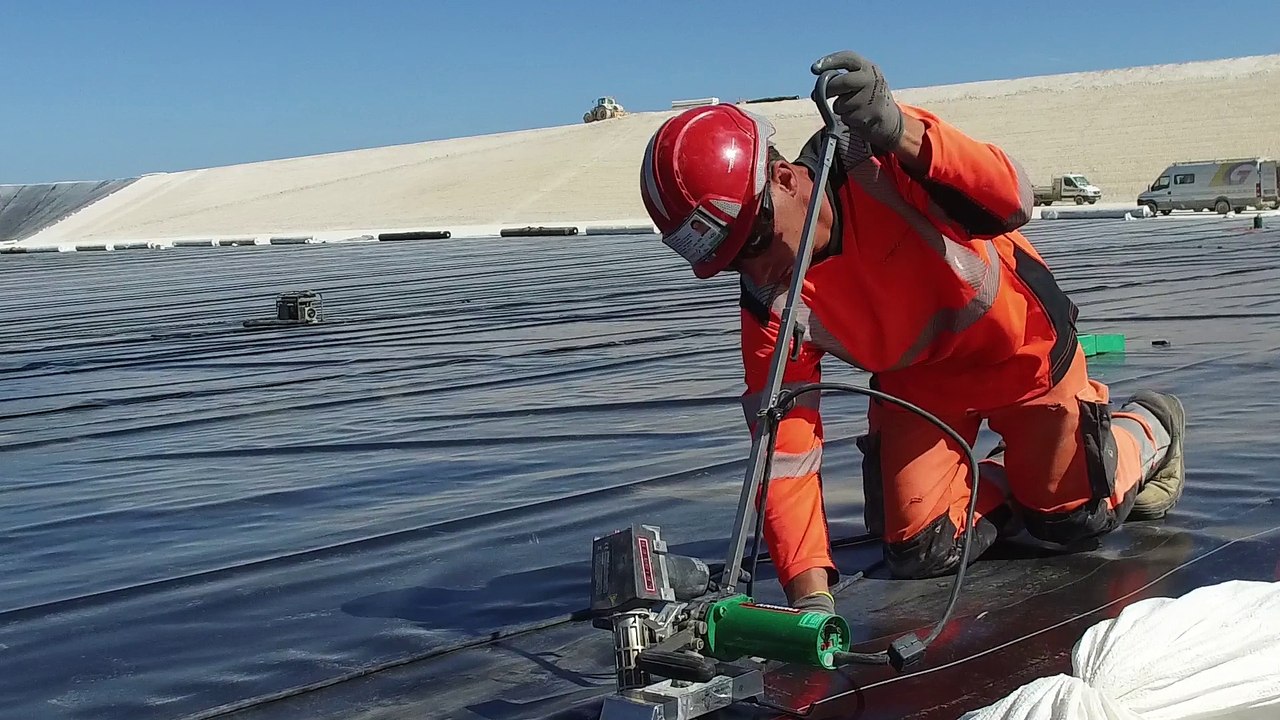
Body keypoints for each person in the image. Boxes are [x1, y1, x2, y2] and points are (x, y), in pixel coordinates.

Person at [638, 50, 1187, 615]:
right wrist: (811, 597)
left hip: (1022, 352)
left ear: (783, 178)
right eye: (731, 263)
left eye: (752, 243)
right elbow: (785, 452)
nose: (752, 269)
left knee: (1072, 520)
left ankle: (1151, 425)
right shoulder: (769, 302)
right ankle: (1019, 473)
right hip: (920, 384)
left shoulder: (881, 157)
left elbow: (1013, 196)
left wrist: (903, 132)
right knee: (919, 549)